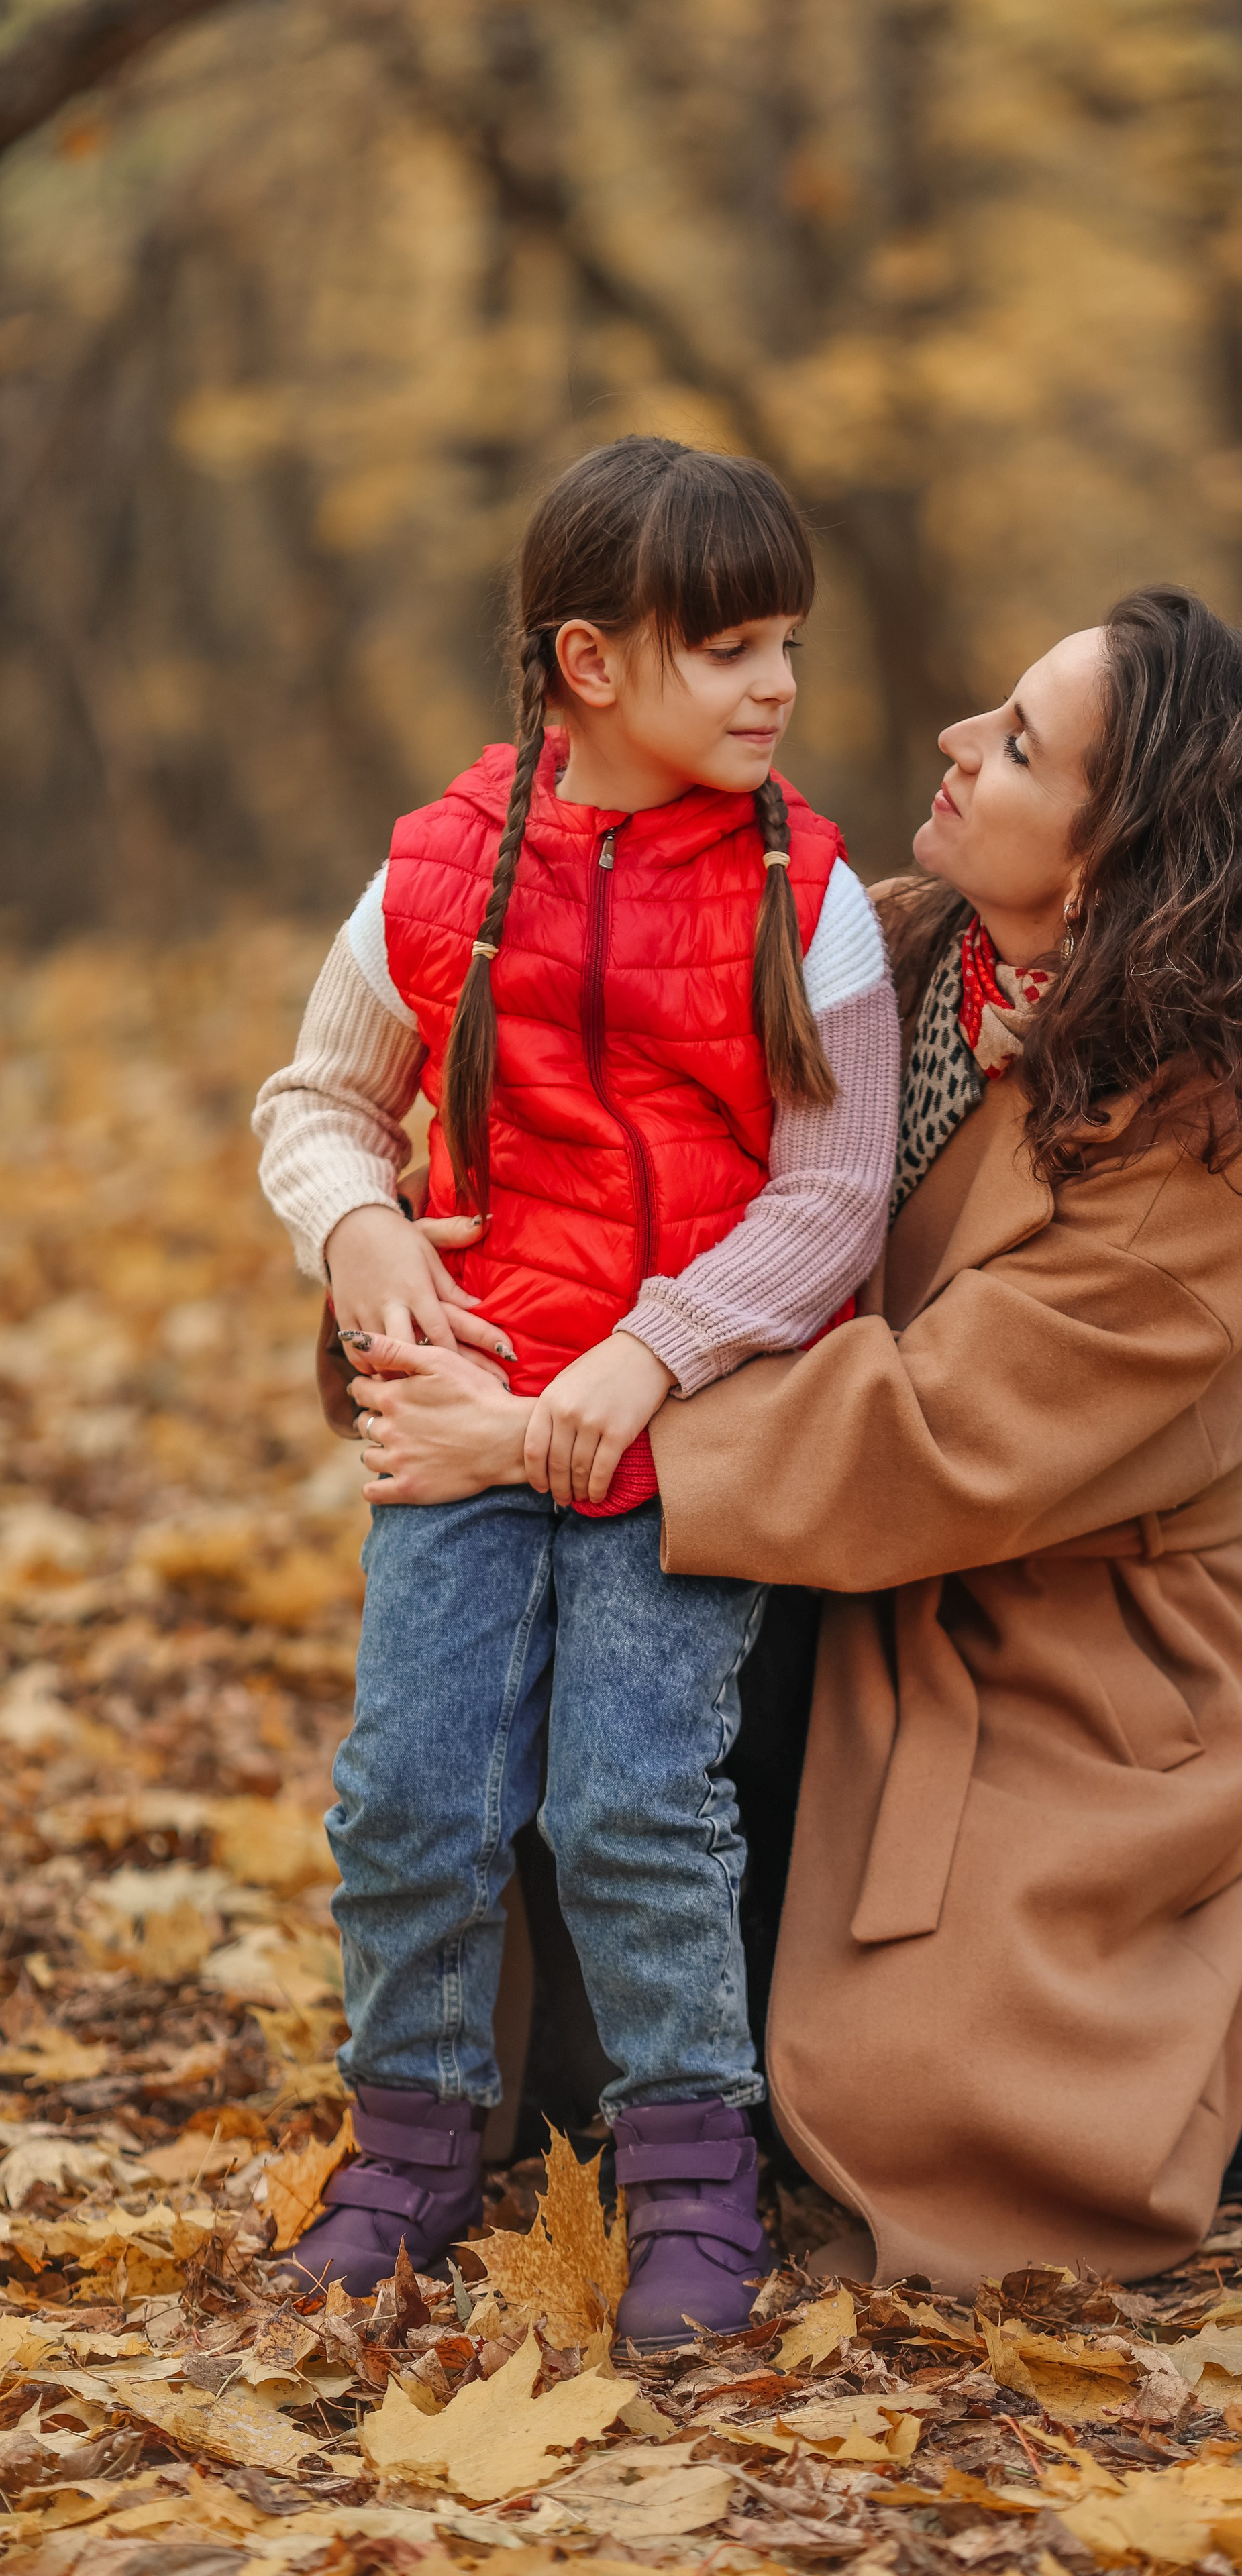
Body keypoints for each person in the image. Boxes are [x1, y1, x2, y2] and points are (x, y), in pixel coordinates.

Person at [344, 585, 1242, 2290]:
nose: (956, 743)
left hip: (1036, 1627)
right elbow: (590, 1154)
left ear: (1113, 863)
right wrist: (409, 1275)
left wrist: (540, 1432)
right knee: (572, 2054)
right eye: (992, 711)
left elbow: (946, 1429)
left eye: (1019, 746)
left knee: (912, 2093)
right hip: (771, 1536)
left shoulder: (1212, 1131)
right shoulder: (875, 941)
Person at [251, 437, 899, 2338]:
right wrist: (360, 1233)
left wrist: (652, 1350)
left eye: (786, 643)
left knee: (632, 1805)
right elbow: (316, 1100)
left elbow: (834, 1195)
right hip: (458, 1423)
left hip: (679, 1443)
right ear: (590, 663)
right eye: (728, 648)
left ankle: (692, 2178)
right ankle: (411, 2150)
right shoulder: (436, 872)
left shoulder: (809, 895)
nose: (776, 685)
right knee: (410, 1798)